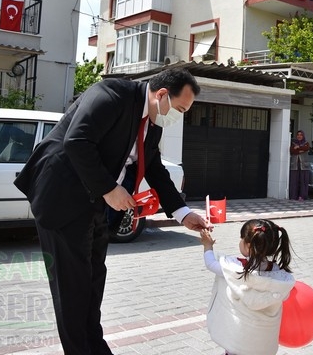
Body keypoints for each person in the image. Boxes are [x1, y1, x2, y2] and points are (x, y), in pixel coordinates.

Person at [14, 68, 212, 355]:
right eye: (180, 108)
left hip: (94, 203)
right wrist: (109, 188)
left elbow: (154, 167)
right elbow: (77, 141)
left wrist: (182, 212)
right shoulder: (111, 94)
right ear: (161, 95)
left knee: (93, 282)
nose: (178, 116)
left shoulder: (152, 122)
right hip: (62, 198)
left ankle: (94, 347)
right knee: (73, 287)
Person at [199, 219, 295, 355]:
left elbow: (211, 264)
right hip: (263, 345)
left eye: (241, 238)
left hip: (239, 343)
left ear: (248, 245)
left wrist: (207, 246)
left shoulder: (235, 269)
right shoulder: (277, 273)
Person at [289, 130, 310, 200]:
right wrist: (299, 150)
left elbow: (306, 148)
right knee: (294, 181)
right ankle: (293, 196)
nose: (299, 136)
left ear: (303, 136)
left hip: (304, 166)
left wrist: (298, 148)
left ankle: (302, 196)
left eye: (301, 135)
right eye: (298, 135)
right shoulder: (293, 143)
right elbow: (292, 150)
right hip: (295, 165)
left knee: (303, 181)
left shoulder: (306, 143)